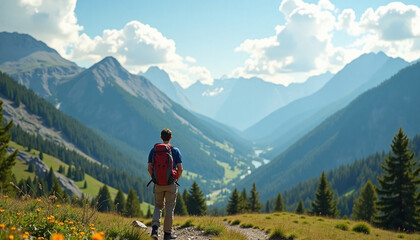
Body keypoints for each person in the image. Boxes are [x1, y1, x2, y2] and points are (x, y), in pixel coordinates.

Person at [148, 128, 183, 240]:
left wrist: (155, 178)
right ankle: (167, 234)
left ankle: (154, 229)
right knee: (169, 208)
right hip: (171, 183)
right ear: (171, 138)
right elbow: (180, 169)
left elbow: (149, 168)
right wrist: (175, 178)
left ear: (161, 137)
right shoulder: (176, 151)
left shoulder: (154, 150)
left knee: (158, 206)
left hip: (158, 183)